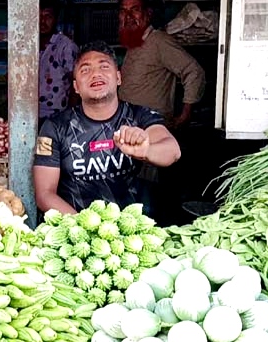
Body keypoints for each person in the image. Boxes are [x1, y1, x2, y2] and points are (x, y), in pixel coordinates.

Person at [32, 40, 181, 215]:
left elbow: (173, 151)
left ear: (118, 77)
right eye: (85, 70)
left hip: (130, 228)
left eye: (104, 67)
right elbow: (44, 194)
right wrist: (83, 228)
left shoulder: (138, 116)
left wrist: (145, 150)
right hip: (74, 229)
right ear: (76, 87)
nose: (95, 74)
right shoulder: (54, 127)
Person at [118, 0, 205, 130]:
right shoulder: (134, 42)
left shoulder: (159, 41)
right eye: (123, 11)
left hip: (152, 128)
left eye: (135, 10)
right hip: (131, 127)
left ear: (148, 14)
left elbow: (194, 71)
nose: (128, 16)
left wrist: (185, 113)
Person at [38, 0, 79, 126]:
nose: (42, 21)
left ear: (55, 19)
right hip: (30, 115)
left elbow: (76, 83)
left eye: (48, 16)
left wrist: (69, 116)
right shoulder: (26, 45)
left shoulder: (65, 46)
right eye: (38, 16)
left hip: (57, 117)